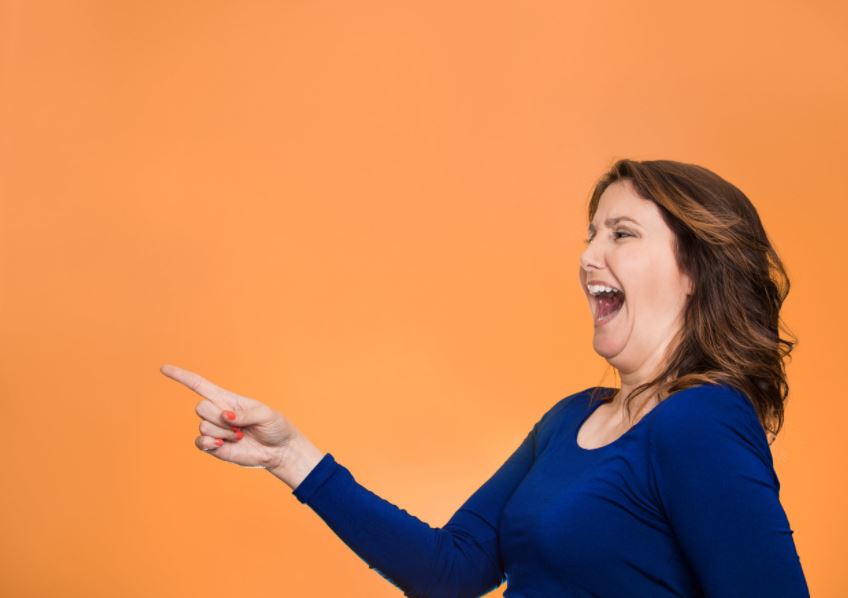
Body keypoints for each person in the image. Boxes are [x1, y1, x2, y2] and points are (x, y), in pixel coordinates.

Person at [161, 158, 810, 597]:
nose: (588, 256)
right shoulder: (571, 418)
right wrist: (289, 454)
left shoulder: (700, 421)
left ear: (695, 271)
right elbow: (453, 568)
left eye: (622, 233)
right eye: (590, 235)